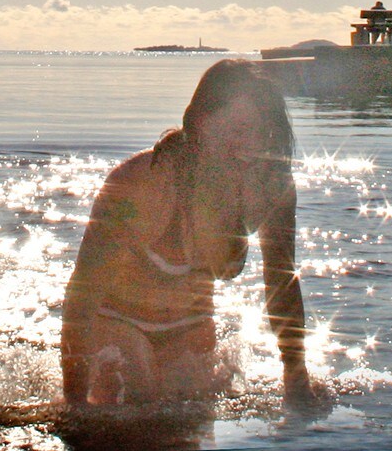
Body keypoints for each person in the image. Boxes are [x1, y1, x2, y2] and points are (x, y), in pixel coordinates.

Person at [61, 59, 326, 412]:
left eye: (264, 133)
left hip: (191, 329)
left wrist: (297, 381)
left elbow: (283, 287)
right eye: (239, 129)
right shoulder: (142, 183)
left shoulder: (270, 187)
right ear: (200, 123)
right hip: (117, 324)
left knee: (184, 420)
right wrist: (73, 406)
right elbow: (82, 295)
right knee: (133, 397)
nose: (251, 148)